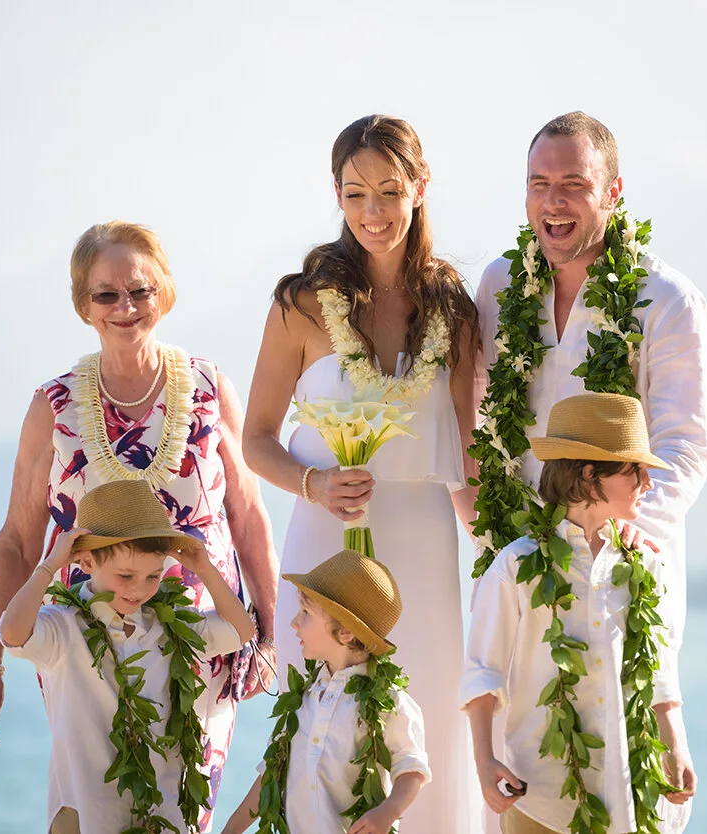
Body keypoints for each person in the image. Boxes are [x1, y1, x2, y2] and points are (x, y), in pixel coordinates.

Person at [0, 221, 279, 829]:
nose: (126, 307)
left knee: (184, 812)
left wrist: (267, 633)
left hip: (202, 644)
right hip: (82, 653)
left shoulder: (211, 389)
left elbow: (248, 514)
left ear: (164, 291)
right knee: (95, 805)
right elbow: (16, 541)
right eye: (107, 294)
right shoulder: (53, 408)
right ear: (84, 305)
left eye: (140, 290)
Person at [243, 115, 481, 831]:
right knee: (316, 733)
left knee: (426, 725)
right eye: (355, 195)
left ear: (420, 186)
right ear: (337, 198)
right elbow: (253, 439)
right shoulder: (301, 305)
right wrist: (313, 484)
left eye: (388, 191)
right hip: (324, 540)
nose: (373, 213)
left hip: (423, 545)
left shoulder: (455, 312)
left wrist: (502, 559)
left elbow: (469, 462)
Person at [474, 112, 707, 810]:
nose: (553, 201)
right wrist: (487, 521)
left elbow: (684, 444)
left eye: (574, 184)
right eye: (539, 184)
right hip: (522, 566)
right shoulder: (498, 285)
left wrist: (624, 528)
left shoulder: (666, 300)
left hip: (624, 569)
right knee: (524, 776)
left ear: (613, 192)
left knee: (625, 777)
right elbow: (482, 420)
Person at [462, 393, 696, 834]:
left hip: (624, 787)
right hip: (540, 792)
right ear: (591, 474)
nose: (647, 483)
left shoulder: (642, 565)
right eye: (634, 470)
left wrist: (675, 745)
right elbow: (482, 670)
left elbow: (660, 670)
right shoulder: (517, 565)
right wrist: (484, 760)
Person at [0, 480, 256, 834]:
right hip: (84, 810)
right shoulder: (64, 627)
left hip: (159, 812)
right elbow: (11, 632)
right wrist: (49, 566)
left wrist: (206, 570)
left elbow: (241, 630)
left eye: (153, 576)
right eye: (125, 576)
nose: (139, 589)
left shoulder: (169, 625)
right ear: (86, 560)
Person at [220, 549, 430, 834]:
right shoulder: (301, 700)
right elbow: (272, 771)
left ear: (345, 632)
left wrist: (388, 811)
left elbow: (412, 769)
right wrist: (232, 827)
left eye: (306, 613)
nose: (294, 622)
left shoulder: (390, 703)